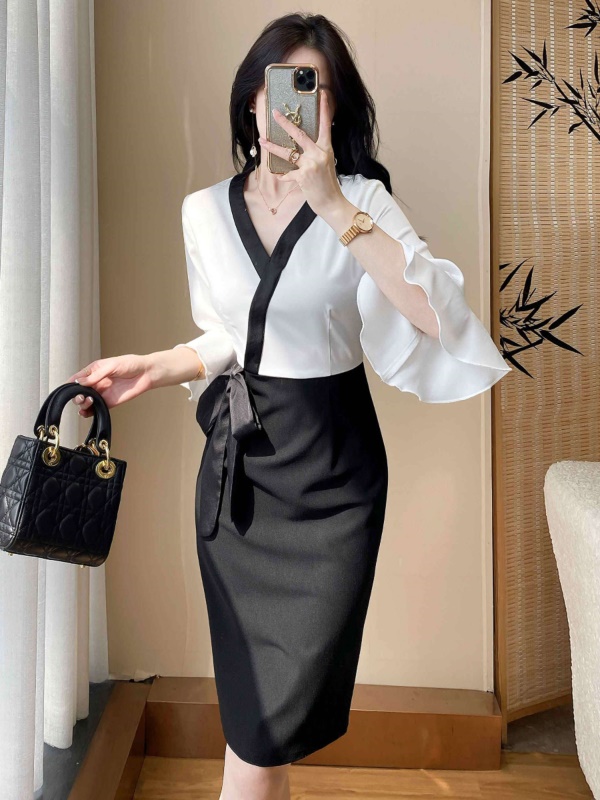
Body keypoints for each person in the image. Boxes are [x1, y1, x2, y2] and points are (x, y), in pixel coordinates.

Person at [67, 12, 511, 800]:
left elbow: (432, 315)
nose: (299, 107)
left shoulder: (362, 202)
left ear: (337, 109)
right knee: (254, 723)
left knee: (271, 724)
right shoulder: (202, 212)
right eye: (285, 88)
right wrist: (154, 367)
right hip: (240, 484)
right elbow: (230, 337)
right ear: (253, 101)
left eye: (319, 90)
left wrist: (333, 205)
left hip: (334, 482)